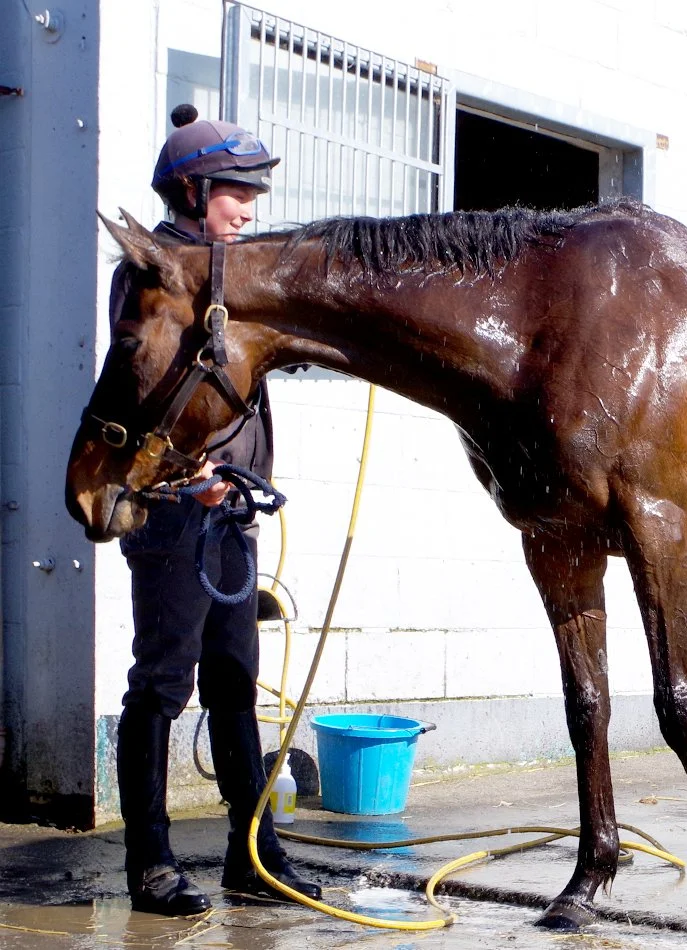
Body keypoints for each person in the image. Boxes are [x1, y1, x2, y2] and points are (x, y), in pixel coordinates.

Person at [112, 104, 320, 916]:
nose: (249, 208)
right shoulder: (155, 272)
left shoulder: (237, 275)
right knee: (161, 686)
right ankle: (150, 863)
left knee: (235, 682)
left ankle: (251, 855)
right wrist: (184, 473)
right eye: (237, 192)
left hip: (233, 512)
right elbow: (150, 385)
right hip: (173, 509)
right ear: (194, 190)